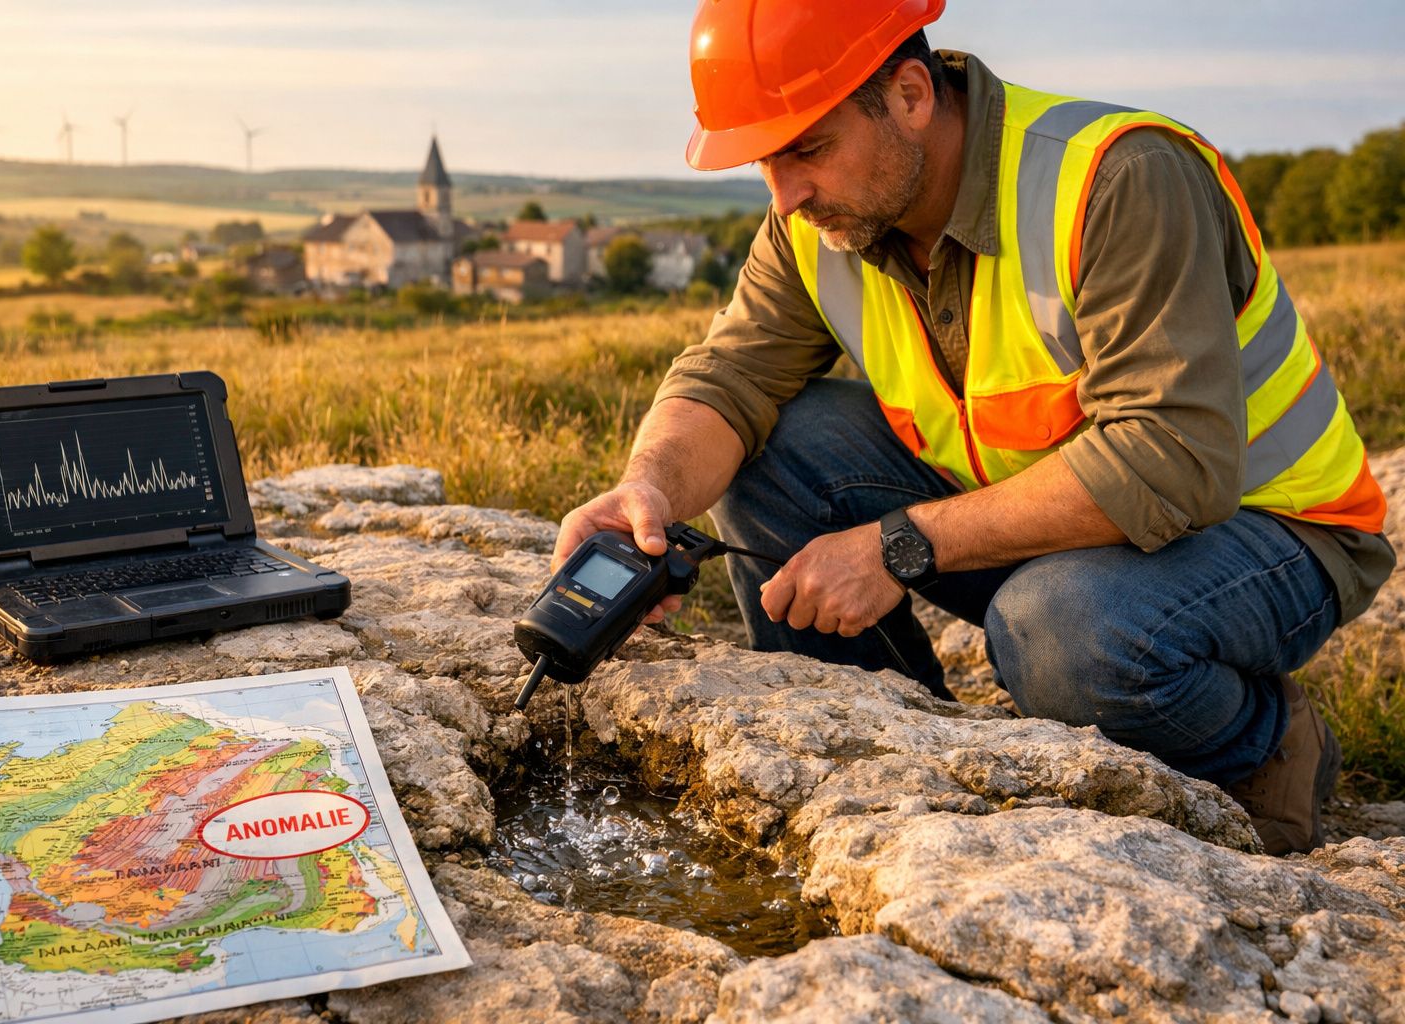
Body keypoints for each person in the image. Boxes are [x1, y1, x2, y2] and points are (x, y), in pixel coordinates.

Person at [551, 0, 1395, 856]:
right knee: (777, 451)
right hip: (1046, 522)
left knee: (1061, 632)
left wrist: (896, 546)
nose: (786, 193)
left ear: (911, 95)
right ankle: (892, 765)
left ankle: (1265, 744)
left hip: (1271, 530)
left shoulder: (1119, 179)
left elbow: (1170, 457)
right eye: (765, 160)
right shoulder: (816, 220)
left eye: (807, 148)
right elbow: (730, 378)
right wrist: (647, 490)